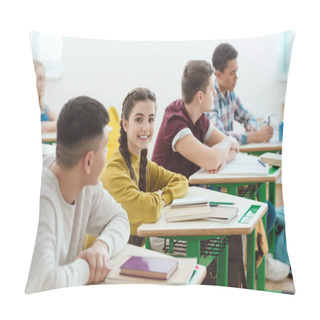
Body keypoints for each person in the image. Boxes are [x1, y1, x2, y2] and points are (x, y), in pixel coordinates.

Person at [152, 60, 247, 287]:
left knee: (233, 236)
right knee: (225, 240)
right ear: (200, 96)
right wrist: (218, 154)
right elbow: (217, 155)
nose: (215, 92)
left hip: (185, 208)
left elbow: (230, 145)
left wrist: (219, 152)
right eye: (211, 88)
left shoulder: (199, 120)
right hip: (163, 221)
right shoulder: (175, 119)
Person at [25, 96, 130, 294]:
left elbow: (120, 218)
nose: (108, 153)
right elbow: (41, 284)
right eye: (105, 146)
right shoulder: (41, 199)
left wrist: (101, 247)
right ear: (88, 161)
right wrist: (87, 268)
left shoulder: (87, 184)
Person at [100, 88, 188, 248]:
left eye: (151, 119)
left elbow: (181, 182)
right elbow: (150, 210)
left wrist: (162, 197)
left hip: (128, 255)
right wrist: (159, 199)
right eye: (139, 119)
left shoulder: (144, 165)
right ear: (125, 124)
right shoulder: (114, 172)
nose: (146, 128)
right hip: (103, 263)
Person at [207, 43, 273, 145]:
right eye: (232, 73)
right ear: (218, 75)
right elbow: (220, 137)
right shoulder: (210, 99)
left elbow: (249, 117)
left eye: (236, 72)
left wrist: (251, 126)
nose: (236, 78)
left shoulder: (230, 96)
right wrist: (255, 136)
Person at [33, 60, 58, 133]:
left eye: (44, 78)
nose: (42, 83)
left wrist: (43, 126)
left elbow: (62, 122)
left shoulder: (43, 107)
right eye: (39, 79)